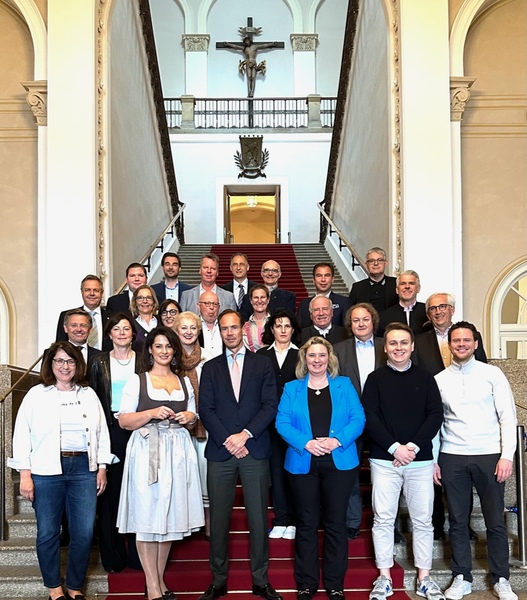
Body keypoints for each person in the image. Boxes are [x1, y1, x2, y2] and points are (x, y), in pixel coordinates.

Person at [8, 341, 113, 600]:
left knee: (84, 532)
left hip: (83, 470)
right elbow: (22, 435)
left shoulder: (88, 394)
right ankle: (54, 588)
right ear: (51, 364)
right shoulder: (36, 394)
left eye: (70, 361)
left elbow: (102, 433)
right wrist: (25, 474)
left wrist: (101, 467)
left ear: (77, 365)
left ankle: (75, 587)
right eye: (59, 361)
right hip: (46, 470)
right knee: (47, 532)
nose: (65, 366)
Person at [198, 310, 281, 600]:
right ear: (219, 332)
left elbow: (270, 405)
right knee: (218, 521)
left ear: (244, 330)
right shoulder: (210, 368)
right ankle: (218, 581)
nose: (230, 333)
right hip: (221, 452)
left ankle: (261, 580)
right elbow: (205, 409)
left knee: (258, 519)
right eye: (224, 328)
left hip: (254, 448)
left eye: (234, 327)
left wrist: (245, 435)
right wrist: (227, 439)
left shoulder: (263, 364)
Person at [116, 326, 204, 600]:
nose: (164, 351)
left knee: (169, 517)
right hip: (147, 451)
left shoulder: (184, 382)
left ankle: (159, 581)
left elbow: (193, 416)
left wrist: (189, 416)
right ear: (150, 350)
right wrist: (152, 412)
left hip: (177, 451)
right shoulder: (137, 381)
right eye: (159, 346)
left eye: (168, 346)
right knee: (147, 515)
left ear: (174, 351)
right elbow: (124, 420)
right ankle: (153, 585)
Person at [276, 336, 365, 600]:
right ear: (304, 359)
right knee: (306, 524)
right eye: (312, 356)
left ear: (329, 359)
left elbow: (358, 418)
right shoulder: (291, 388)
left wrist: (336, 440)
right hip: (303, 462)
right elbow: (282, 423)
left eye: (322, 355)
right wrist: (306, 442)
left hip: (339, 462)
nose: (317, 360)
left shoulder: (344, 385)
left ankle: (335, 583)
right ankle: (306, 583)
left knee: (336, 523)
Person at [434, 322, 518, 600]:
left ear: (475, 343)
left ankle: (501, 578)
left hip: (489, 455)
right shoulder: (440, 379)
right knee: (457, 521)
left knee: (495, 521)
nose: (461, 344)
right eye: (456, 340)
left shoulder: (492, 374)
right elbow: (435, 425)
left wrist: (507, 456)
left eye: (466, 340)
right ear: (450, 345)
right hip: (453, 456)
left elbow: (508, 417)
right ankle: (462, 576)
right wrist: (435, 460)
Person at [362, 323, 444, 600]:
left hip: (419, 461)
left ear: (412, 346)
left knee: (423, 521)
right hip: (384, 461)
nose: (399, 348)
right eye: (393, 343)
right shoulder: (375, 379)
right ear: (385, 348)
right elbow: (370, 417)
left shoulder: (426, 377)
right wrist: (395, 448)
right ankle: (384, 578)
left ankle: (424, 578)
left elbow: (435, 415)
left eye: (403, 343)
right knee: (384, 519)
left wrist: (412, 447)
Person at [414, 293, 487, 541]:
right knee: (433, 469)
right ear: (428, 314)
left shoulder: (467, 337)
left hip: (464, 416)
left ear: (452, 310)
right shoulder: (419, 341)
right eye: (433, 308)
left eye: (442, 306)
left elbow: (482, 368)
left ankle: (463, 524)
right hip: (430, 412)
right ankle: (436, 524)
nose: (438, 311)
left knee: (461, 472)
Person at [88, 313, 142, 573]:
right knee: (109, 495)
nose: (122, 332)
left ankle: (137, 555)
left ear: (134, 333)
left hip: (138, 429)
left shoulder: (144, 360)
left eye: (126, 328)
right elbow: (93, 399)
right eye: (116, 329)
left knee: (137, 492)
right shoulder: (98, 362)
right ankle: (112, 556)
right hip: (108, 431)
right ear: (109, 334)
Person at [333, 303, 387, 541]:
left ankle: (389, 524)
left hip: (383, 418)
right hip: (349, 420)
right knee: (349, 472)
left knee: (387, 473)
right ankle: (351, 521)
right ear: (350, 324)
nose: (361, 324)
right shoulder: (338, 349)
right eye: (356, 320)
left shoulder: (388, 345)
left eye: (365, 319)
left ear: (372, 321)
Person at [257, 310, 301, 539]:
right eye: (278, 325)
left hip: (297, 425)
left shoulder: (302, 355)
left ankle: (294, 520)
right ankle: (282, 519)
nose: (283, 330)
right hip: (269, 423)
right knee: (276, 472)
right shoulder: (261, 356)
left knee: (295, 471)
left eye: (287, 326)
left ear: (293, 329)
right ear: (271, 329)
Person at [173, 310, 210, 536]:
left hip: (205, 427)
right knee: (182, 477)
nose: (188, 332)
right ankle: (184, 524)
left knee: (205, 476)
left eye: (192, 328)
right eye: (183, 328)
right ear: (176, 331)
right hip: (176, 428)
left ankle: (207, 523)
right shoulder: (169, 358)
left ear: (199, 331)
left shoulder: (209, 357)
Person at [56, 274, 111, 350]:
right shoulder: (67, 315)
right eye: (87, 290)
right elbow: (60, 344)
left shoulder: (112, 317)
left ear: (102, 293)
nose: (92, 293)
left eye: (96, 290)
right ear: (82, 292)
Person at [296, 263, 350, 328]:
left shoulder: (344, 302)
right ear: (313, 280)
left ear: (332, 279)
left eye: (327, 275)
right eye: (319, 276)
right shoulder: (304, 304)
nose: (323, 280)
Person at [377, 270, 428, 337]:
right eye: (403, 284)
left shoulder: (428, 312)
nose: (407, 286)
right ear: (397, 290)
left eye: (411, 283)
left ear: (418, 288)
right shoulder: (384, 317)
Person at [348, 247, 398, 313]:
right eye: (371, 261)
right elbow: (351, 311)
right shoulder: (357, 287)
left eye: (380, 260)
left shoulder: (396, 284)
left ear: (385, 263)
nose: (376, 263)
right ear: (366, 265)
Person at [130, 284, 159, 353]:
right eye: (140, 298)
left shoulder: (162, 323)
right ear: (135, 302)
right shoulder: (130, 325)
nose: (145, 301)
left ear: (154, 302)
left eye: (148, 298)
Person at [243, 284, 271, 352]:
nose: (259, 301)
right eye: (256, 297)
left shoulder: (275, 323)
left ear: (268, 300)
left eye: (263, 297)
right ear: (251, 300)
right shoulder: (244, 327)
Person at [197, 291, 223, 360]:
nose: (212, 307)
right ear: (198, 306)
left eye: (215, 304)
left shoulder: (224, 326)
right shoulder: (194, 327)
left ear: (219, 307)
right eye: (207, 303)